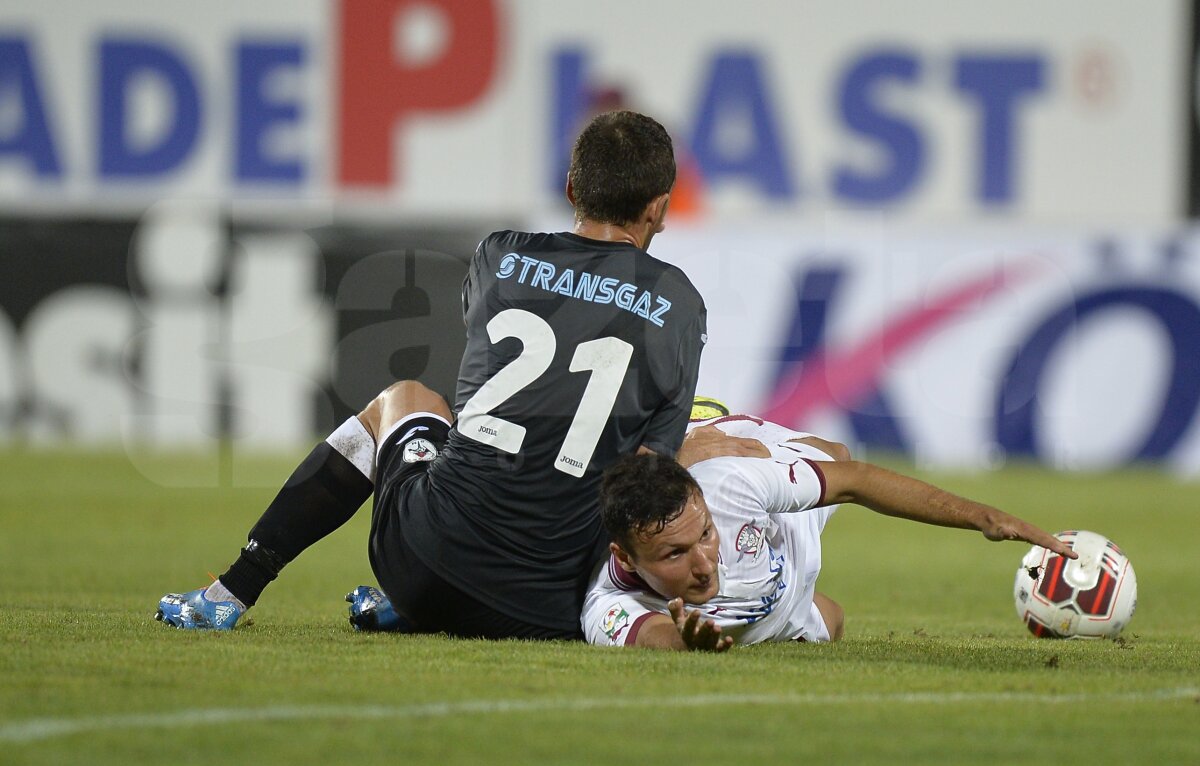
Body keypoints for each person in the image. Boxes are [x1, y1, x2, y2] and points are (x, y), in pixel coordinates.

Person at [157, 110, 714, 639]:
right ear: (660, 208)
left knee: (409, 397)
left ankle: (232, 592)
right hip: (550, 606)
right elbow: (650, 476)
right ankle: (421, 609)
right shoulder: (680, 303)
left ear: (571, 189)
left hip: (424, 561)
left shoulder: (501, 256)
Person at [582, 415, 1078, 651]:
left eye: (705, 535)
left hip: (767, 493)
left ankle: (700, 422)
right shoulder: (606, 603)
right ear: (626, 560)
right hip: (784, 608)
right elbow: (652, 639)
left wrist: (982, 518)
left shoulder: (729, 487)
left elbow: (857, 480)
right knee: (833, 620)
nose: (704, 562)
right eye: (674, 554)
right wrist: (686, 643)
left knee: (835, 453)